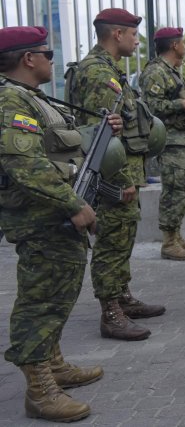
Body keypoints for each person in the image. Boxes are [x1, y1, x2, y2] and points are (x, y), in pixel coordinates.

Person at [0, 26, 112, 422]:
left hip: (51, 212)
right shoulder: (10, 99)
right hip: (40, 216)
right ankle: (39, 389)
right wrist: (72, 203)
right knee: (40, 300)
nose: (52, 59)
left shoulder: (30, 96)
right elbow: (23, 164)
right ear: (28, 59)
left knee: (58, 292)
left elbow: (55, 144)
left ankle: (54, 362)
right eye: (46, 53)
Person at [69, 8, 166, 340]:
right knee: (112, 241)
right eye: (133, 35)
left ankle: (122, 298)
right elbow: (101, 136)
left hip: (123, 170)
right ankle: (110, 313)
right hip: (112, 175)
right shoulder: (98, 75)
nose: (138, 42)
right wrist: (121, 180)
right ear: (117, 34)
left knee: (122, 236)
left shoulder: (109, 71)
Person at [140, 27, 185, 260]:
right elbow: (151, 107)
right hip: (169, 140)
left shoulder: (172, 72)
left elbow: (174, 96)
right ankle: (168, 243)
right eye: (183, 42)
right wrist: (182, 105)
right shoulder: (155, 72)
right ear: (173, 45)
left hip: (183, 138)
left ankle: (176, 235)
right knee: (174, 191)